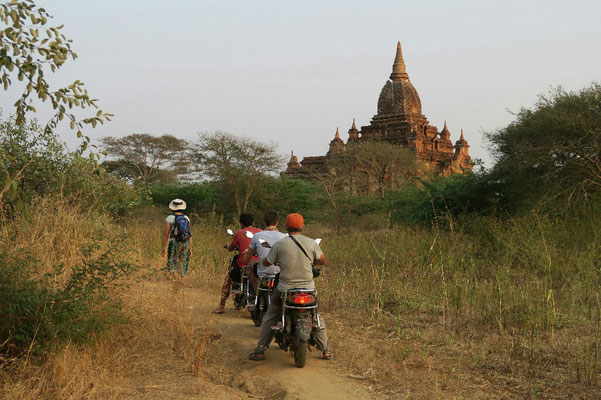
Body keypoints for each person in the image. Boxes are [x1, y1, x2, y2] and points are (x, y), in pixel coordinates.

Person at [248, 213, 332, 361]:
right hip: (308, 289)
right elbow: (323, 261)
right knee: (316, 315)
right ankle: (326, 350)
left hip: (286, 289)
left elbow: (267, 262)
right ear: (303, 226)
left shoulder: (280, 244)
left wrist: (272, 262)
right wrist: (314, 262)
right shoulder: (312, 243)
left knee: (272, 314)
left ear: (286, 227)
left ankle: (260, 349)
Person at [212, 213, 262, 314]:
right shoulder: (260, 232)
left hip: (243, 266)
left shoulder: (239, 233)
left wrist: (227, 246)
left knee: (228, 279)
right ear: (252, 222)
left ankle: (221, 306)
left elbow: (231, 248)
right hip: (258, 266)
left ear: (241, 223)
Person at [244, 210, 286, 294]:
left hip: (262, 273)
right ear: (277, 223)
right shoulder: (284, 237)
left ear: (264, 223)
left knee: (252, 263)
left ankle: (257, 292)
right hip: (279, 273)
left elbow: (246, 260)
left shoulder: (257, 236)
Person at [161, 199, 192, 277]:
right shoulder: (186, 218)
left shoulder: (169, 218)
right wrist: (190, 248)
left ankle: (175, 275)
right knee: (183, 260)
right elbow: (189, 234)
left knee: (171, 261)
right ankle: (181, 277)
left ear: (172, 208)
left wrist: (163, 247)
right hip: (185, 242)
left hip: (174, 242)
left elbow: (166, 234)